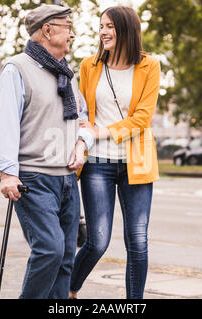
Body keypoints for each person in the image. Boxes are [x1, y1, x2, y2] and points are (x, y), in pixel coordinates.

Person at [0, 4, 94, 299]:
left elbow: (84, 120)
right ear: (48, 31)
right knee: (49, 249)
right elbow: (6, 123)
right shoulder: (17, 68)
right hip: (33, 179)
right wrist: (7, 173)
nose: (72, 33)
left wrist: (81, 143)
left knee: (65, 258)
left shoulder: (67, 75)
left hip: (67, 180)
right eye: (66, 26)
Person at [69, 6, 161, 299]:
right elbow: (83, 114)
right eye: (101, 26)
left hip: (137, 163)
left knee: (137, 241)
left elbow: (143, 118)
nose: (104, 32)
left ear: (127, 30)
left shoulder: (150, 66)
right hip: (98, 163)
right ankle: (67, 291)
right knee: (96, 241)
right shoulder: (89, 66)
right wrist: (85, 135)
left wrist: (102, 130)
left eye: (110, 26)